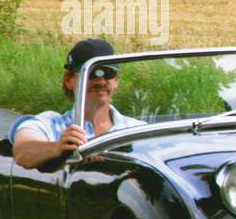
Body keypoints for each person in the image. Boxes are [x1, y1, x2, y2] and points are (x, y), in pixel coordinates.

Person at [10, 39, 143, 169]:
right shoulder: (51, 124)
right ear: (69, 80)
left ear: (116, 81)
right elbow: (23, 152)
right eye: (91, 73)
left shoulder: (137, 129)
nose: (101, 80)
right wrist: (59, 148)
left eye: (108, 73)